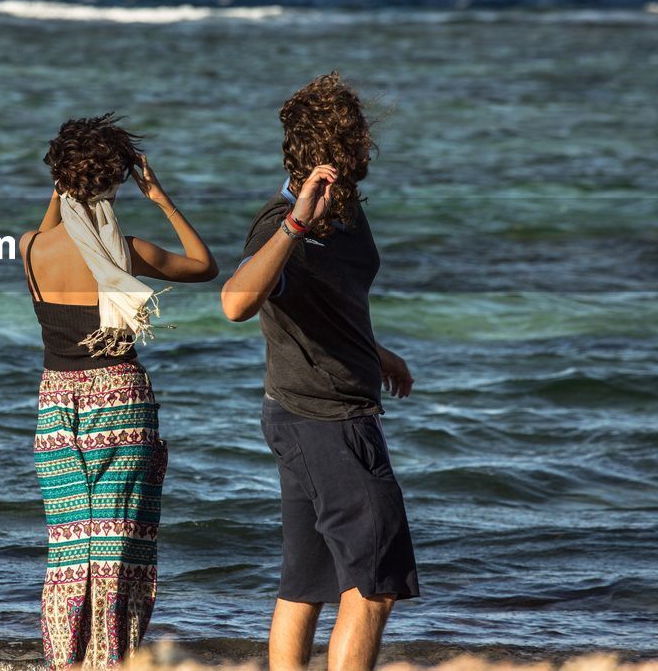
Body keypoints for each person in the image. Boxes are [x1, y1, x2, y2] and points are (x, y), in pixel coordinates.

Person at [220, 73, 420, 671]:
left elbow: (330, 298)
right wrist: (295, 224)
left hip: (311, 414)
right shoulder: (283, 224)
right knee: (376, 585)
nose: (368, 138)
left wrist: (375, 351)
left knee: (306, 586)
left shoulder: (348, 209)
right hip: (324, 420)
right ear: (334, 144)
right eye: (358, 129)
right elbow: (235, 302)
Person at [21, 113, 217, 669]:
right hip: (120, 401)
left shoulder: (30, 249)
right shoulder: (126, 252)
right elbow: (206, 266)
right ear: (114, 182)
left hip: (57, 401)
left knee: (69, 546)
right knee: (118, 544)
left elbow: (49, 228)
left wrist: (58, 192)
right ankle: (112, 659)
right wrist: (160, 197)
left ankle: (65, 659)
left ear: (60, 180)